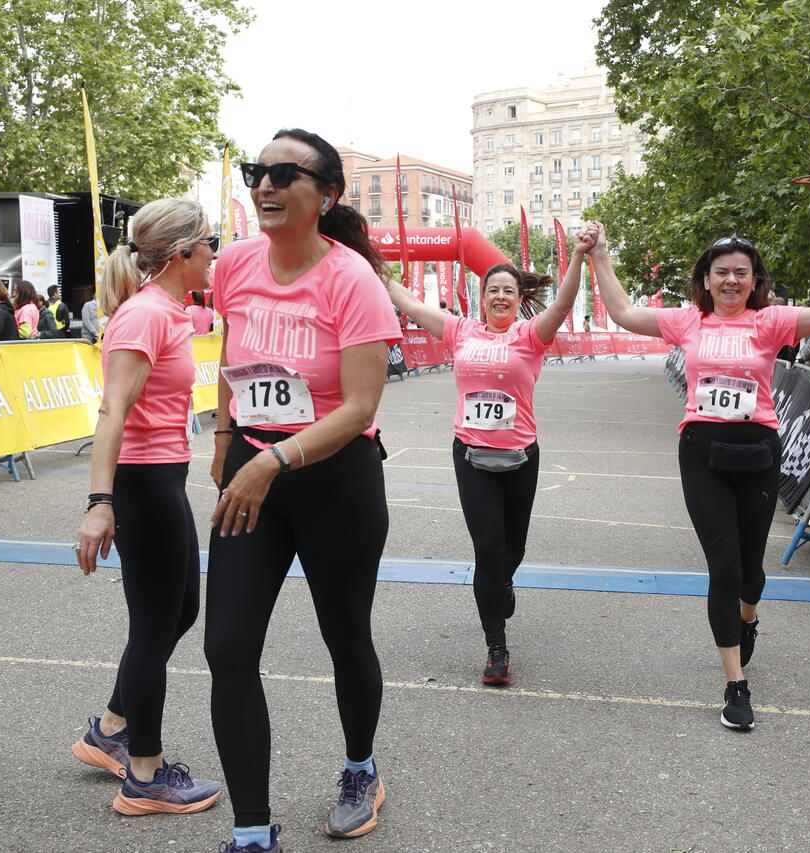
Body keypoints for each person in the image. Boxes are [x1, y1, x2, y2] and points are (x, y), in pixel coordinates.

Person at [584, 224, 810, 731]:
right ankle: (735, 685)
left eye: (739, 274)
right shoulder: (688, 321)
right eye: (720, 272)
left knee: (750, 573)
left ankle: (748, 617)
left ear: (753, 280)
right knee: (723, 568)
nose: (730, 281)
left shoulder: (770, 322)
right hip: (701, 452)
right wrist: (601, 257)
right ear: (705, 278)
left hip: (757, 453)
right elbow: (624, 313)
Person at [206, 128, 400, 852]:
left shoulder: (352, 280)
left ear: (328, 195)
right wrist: (228, 446)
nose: (266, 185)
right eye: (259, 171)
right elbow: (232, 354)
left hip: (335, 481)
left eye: (286, 173)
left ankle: (360, 768)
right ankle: (253, 832)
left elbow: (358, 407)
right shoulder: (234, 266)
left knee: (345, 638)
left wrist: (272, 460)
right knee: (226, 647)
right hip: (252, 474)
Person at [71, 197, 222, 815]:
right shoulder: (142, 318)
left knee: (180, 610)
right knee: (155, 624)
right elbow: (111, 413)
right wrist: (99, 503)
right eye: (209, 242)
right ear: (182, 253)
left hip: (162, 479)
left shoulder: (171, 310)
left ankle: (109, 729)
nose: (215, 252)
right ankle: (145, 775)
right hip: (140, 484)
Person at [385, 253, 583, 687]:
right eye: (492, 289)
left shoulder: (530, 335)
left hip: (520, 457)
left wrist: (581, 258)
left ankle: (502, 586)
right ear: (482, 297)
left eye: (507, 291)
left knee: (512, 551)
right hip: (472, 456)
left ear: (517, 300)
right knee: (489, 550)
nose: (499, 296)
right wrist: (377, 270)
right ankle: (497, 648)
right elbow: (412, 304)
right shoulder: (461, 331)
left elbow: (563, 305)